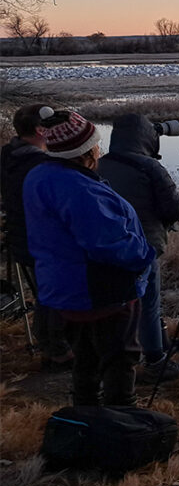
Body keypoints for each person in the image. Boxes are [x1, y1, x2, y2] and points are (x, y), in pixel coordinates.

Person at [23, 110, 155, 406]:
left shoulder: (41, 175)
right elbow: (107, 243)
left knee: (85, 360)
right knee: (119, 360)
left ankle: (87, 420)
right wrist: (145, 255)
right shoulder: (79, 190)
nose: (100, 148)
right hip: (100, 293)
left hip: (65, 288)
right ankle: (120, 424)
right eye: (96, 143)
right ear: (84, 152)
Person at [97, 114, 179, 382]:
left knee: (116, 303)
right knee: (149, 303)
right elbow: (173, 209)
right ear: (147, 138)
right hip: (143, 246)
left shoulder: (99, 164)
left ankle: (119, 355)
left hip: (107, 247)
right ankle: (155, 361)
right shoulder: (150, 168)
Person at [0, 105, 74, 370]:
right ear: (41, 130)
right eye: (51, 126)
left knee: (45, 294)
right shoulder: (40, 164)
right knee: (53, 295)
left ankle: (50, 346)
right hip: (42, 240)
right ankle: (57, 351)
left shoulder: (9, 154)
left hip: (22, 237)